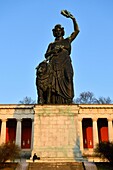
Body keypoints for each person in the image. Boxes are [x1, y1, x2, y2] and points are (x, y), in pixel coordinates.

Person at [44, 10, 80, 104]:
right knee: (53, 83)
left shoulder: (67, 40)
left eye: (59, 31)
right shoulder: (52, 44)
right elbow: (46, 55)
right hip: (55, 64)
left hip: (66, 62)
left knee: (68, 78)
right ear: (54, 33)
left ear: (62, 31)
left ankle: (68, 100)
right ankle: (54, 102)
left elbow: (77, 31)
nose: (58, 32)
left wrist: (73, 19)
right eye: (56, 31)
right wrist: (53, 51)